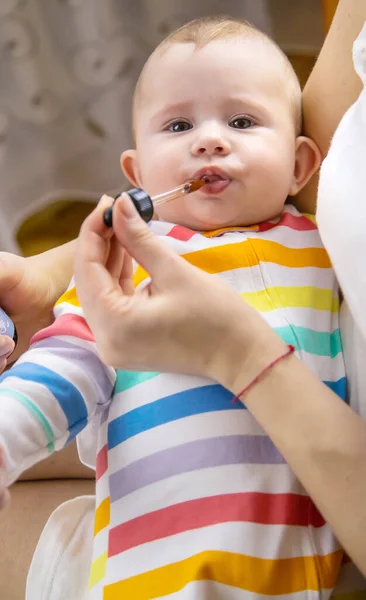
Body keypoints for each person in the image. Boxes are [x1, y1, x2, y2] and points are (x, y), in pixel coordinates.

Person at [0, 2, 365, 597]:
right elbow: (66, 364)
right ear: (137, 175)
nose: (210, 141)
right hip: (149, 580)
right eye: (178, 127)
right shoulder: (128, 269)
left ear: (302, 163)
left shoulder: (320, 241)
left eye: (243, 122)